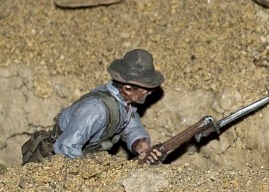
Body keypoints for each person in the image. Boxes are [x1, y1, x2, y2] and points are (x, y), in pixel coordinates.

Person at [21, 49, 165, 164]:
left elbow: (130, 125)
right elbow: (66, 146)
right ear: (127, 89)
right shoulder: (96, 110)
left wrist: (140, 145)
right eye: (146, 89)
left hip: (87, 157)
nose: (150, 92)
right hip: (59, 161)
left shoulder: (124, 103)